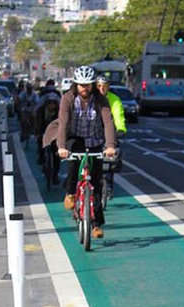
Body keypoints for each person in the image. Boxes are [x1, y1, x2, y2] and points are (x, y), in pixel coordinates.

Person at [48, 65, 116, 239]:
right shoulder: (68, 99)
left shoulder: (101, 100)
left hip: (95, 141)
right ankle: (70, 193)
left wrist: (110, 146)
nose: (84, 88)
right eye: (81, 85)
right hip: (75, 139)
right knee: (74, 167)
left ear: (93, 85)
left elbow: (108, 123)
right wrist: (61, 147)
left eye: (87, 85)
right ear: (76, 85)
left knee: (97, 184)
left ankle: (96, 225)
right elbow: (63, 124)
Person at [95, 75, 126, 198]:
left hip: (109, 131)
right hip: (92, 132)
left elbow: (118, 115)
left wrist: (120, 129)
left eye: (105, 86)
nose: (102, 89)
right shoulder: (90, 98)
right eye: (99, 86)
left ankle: (108, 184)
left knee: (111, 157)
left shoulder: (114, 99)